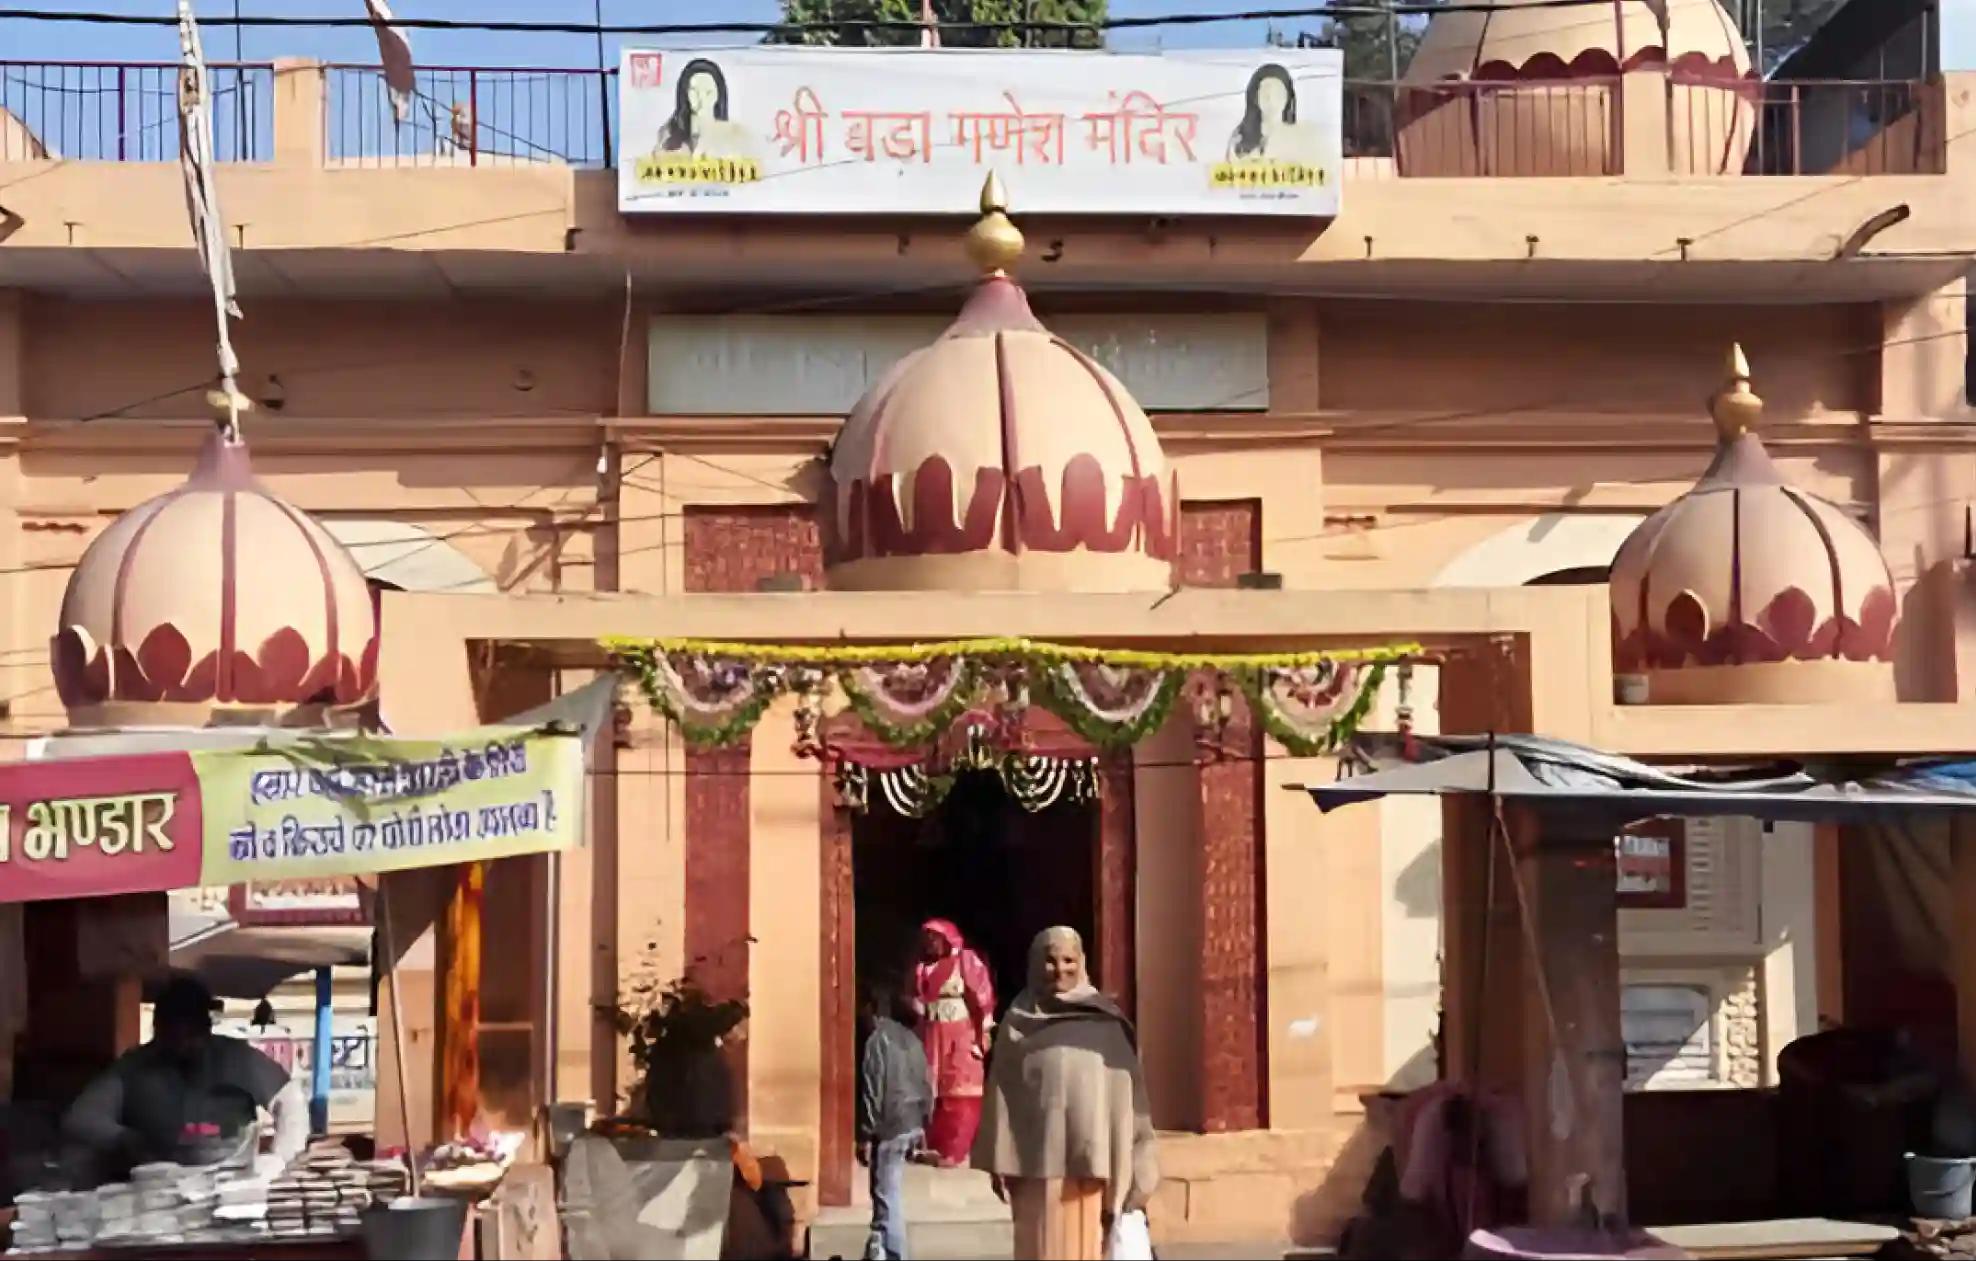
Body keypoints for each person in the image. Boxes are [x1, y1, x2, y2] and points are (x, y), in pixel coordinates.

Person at [971, 927, 1158, 1261]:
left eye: (1069, 960)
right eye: (1050, 961)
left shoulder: (1107, 1025)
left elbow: (1130, 1102)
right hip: (1032, 1175)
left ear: (1082, 962)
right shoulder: (1017, 1024)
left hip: (1089, 1176)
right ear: (1034, 964)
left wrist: (1137, 1163)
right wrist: (998, 1159)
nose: (1060, 970)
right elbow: (1002, 1094)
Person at [62, 975, 307, 1184]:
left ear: (206, 1028)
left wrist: (279, 1160)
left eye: (190, 1034)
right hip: (157, 1189)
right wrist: (123, 1138)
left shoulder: (236, 1058)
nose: (182, 1044)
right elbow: (81, 1118)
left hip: (230, 1183)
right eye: (173, 1034)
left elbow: (289, 1100)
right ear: (158, 1029)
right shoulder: (135, 1066)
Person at [909, 918, 995, 1167]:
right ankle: (930, 1146)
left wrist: (983, 1032)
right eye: (927, 940)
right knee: (928, 1085)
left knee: (959, 1088)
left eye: (935, 939)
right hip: (931, 1031)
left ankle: (954, 1149)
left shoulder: (965, 961)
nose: (931, 944)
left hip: (960, 1031)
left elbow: (982, 997)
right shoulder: (922, 967)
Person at [860, 981, 932, 1261]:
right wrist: (924, 1121)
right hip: (913, 1121)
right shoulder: (911, 1039)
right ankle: (880, 1248)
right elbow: (928, 1083)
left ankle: (893, 1253)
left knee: (886, 1195)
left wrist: (866, 1133)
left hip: (891, 1124)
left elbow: (873, 1089)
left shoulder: (878, 1041)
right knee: (889, 1191)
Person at [655, 58, 758, 161]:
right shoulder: (668, 132)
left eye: (708, 92)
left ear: (718, 96)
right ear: (684, 94)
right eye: (694, 91)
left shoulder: (735, 136)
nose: (701, 100)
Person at [1227, 62, 1326, 166]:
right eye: (1265, 92)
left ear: (1287, 97)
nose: (1271, 99)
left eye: (1277, 93)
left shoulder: (1303, 136)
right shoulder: (1240, 135)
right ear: (1255, 96)